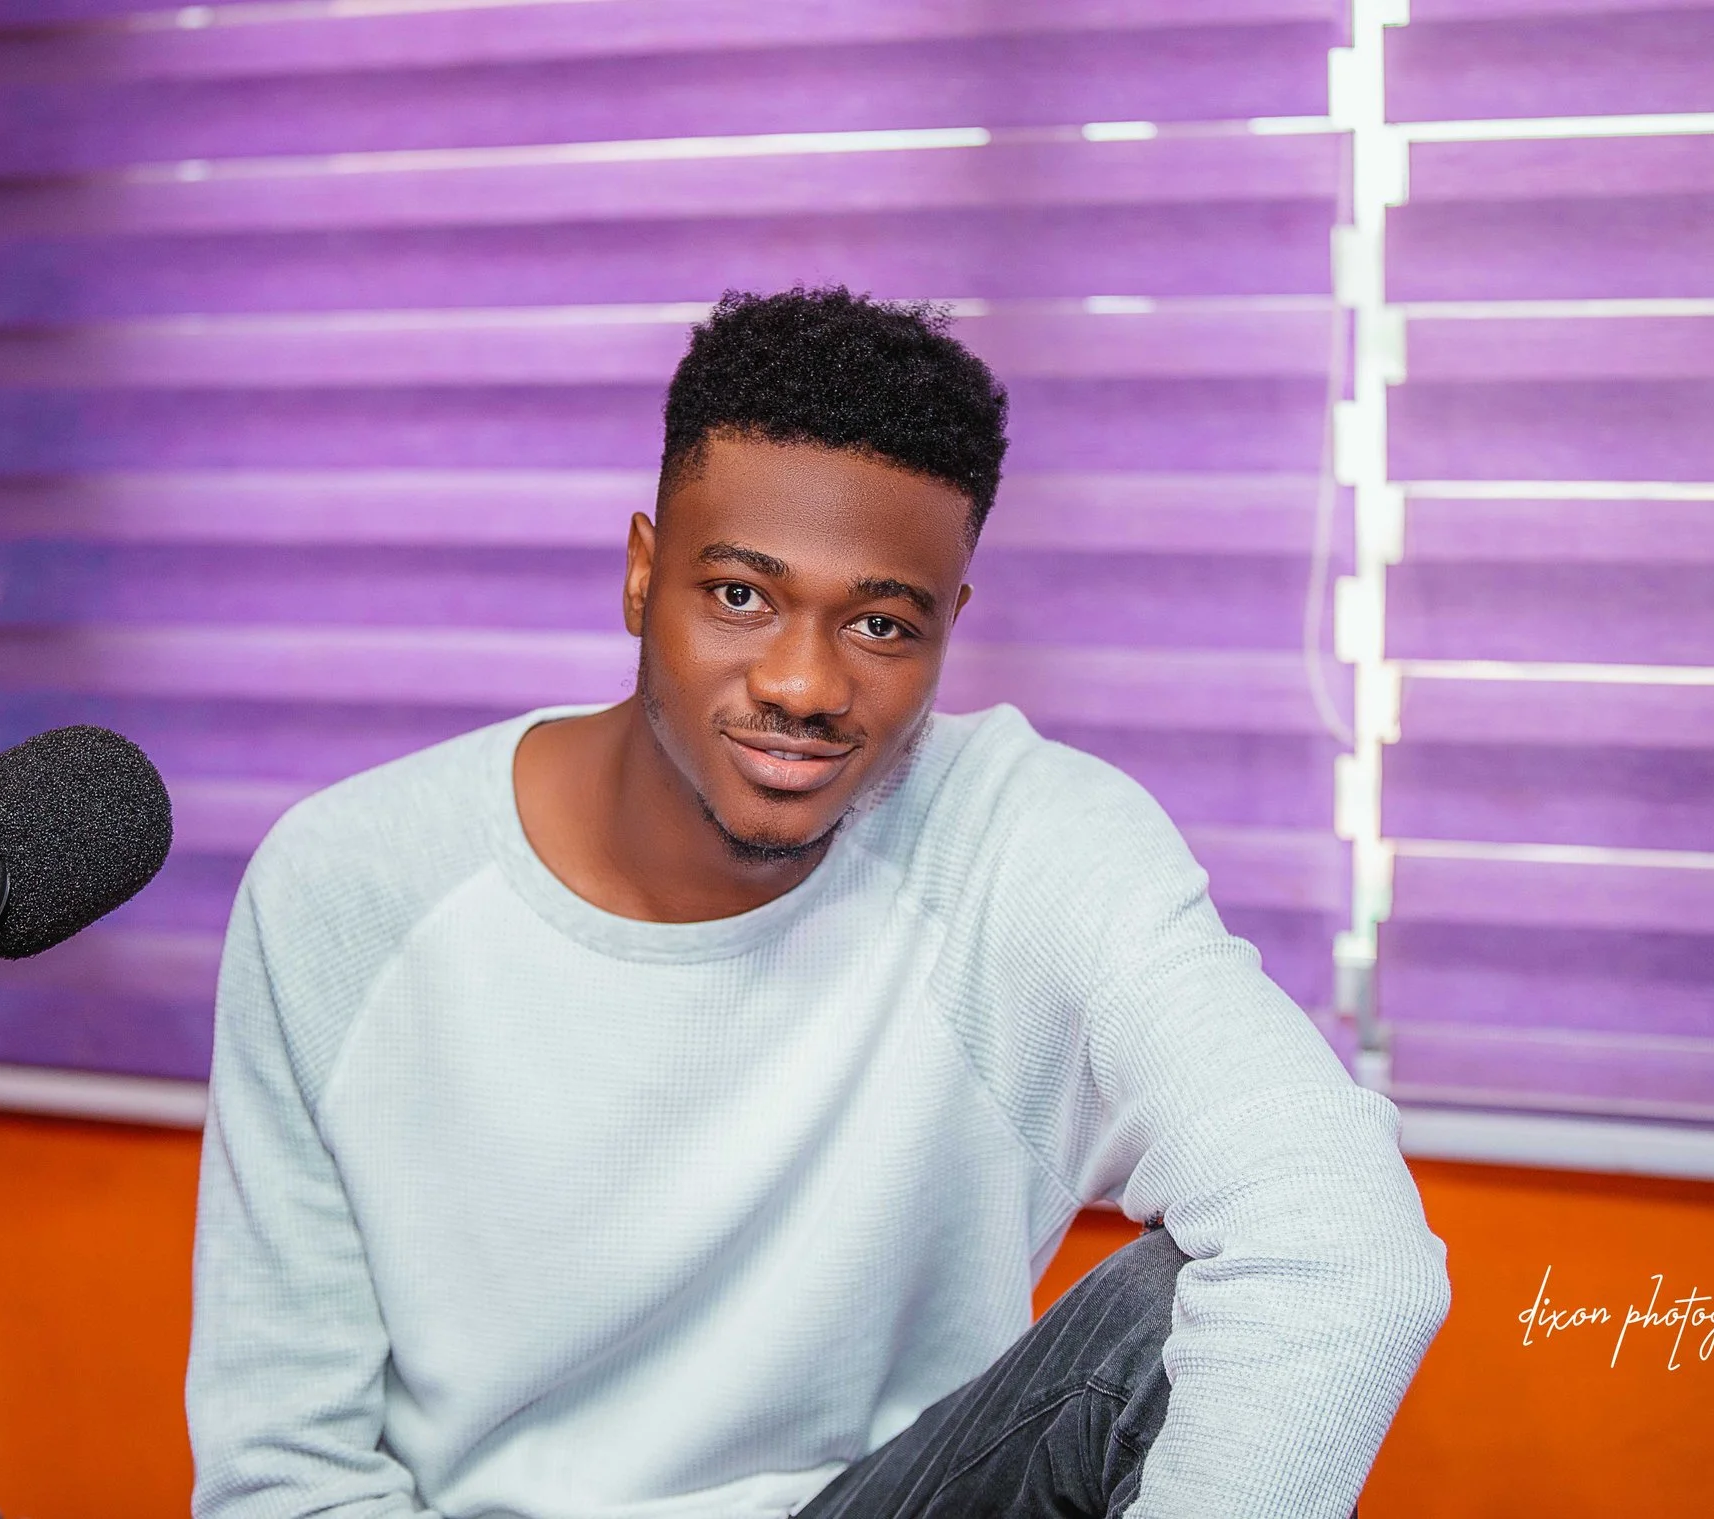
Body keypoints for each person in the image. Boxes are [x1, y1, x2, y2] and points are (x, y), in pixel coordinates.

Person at [187, 287, 1450, 1519]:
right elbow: (285, 1475)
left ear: (950, 626)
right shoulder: (350, 882)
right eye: (739, 594)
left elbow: (1346, 1249)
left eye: (881, 625)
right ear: (641, 573)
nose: (802, 682)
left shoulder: (1023, 841)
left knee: (1178, 1303)